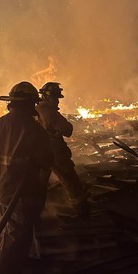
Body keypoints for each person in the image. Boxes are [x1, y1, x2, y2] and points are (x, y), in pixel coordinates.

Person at [0, 81, 54, 274]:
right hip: (23, 197)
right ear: (30, 104)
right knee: (14, 240)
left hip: (1, 192)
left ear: (11, 103)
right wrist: (40, 190)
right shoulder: (35, 130)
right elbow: (46, 163)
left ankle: (26, 259)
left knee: (15, 231)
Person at [36, 82, 90, 217]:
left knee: (40, 183)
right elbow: (67, 130)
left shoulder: (36, 110)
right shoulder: (50, 112)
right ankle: (81, 210)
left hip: (39, 153)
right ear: (49, 98)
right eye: (56, 98)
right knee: (70, 181)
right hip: (55, 153)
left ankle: (37, 211)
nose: (58, 101)